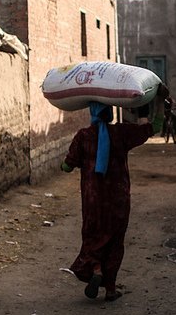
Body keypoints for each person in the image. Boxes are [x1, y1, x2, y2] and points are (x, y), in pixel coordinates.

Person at [61, 86, 168, 301]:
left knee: (93, 236)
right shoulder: (121, 133)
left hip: (93, 200)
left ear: (92, 112)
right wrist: (160, 100)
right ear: (110, 112)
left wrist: (68, 165)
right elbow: (155, 126)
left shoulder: (83, 136)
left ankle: (96, 268)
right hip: (118, 198)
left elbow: (67, 166)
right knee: (115, 240)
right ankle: (110, 288)